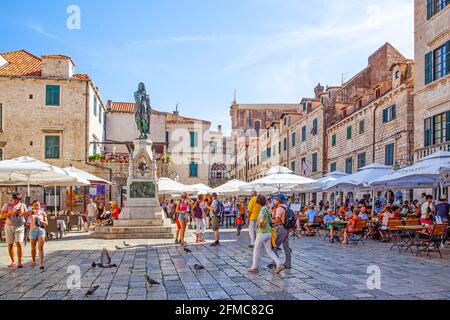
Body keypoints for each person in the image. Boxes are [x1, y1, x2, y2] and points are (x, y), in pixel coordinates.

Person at [248, 196, 285, 274]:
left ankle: (254, 267)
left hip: (262, 233)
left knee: (256, 249)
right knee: (269, 250)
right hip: (269, 233)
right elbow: (271, 220)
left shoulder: (261, 211)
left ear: (258, 203)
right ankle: (279, 264)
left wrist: (261, 226)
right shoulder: (267, 210)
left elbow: (261, 221)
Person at [0, 193, 27, 269]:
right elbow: (1, 216)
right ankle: (12, 261)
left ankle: (19, 262)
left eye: (18, 200)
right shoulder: (7, 205)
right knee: (10, 244)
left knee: (19, 244)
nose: (16, 202)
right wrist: (12, 213)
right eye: (15, 200)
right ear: (12, 198)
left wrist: (22, 213)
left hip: (19, 227)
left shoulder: (23, 206)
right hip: (9, 226)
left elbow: (26, 215)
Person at [25, 201, 47, 270]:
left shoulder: (43, 213)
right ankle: (33, 261)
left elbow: (46, 223)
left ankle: (41, 264)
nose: (36, 207)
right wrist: (30, 212)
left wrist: (40, 221)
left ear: (40, 206)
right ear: (32, 206)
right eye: (35, 205)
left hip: (41, 231)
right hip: (32, 231)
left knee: (40, 248)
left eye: (37, 205)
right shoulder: (30, 213)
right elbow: (22, 215)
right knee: (33, 248)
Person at [270, 194, 291, 271]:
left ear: (278, 200)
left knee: (274, 245)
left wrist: (271, 220)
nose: (274, 201)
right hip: (286, 228)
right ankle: (288, 263)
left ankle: (276, 263)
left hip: (281, 228)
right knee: (286, 246)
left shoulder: (279, 208)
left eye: (275, 199)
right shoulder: (286, 207)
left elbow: (277, 220)